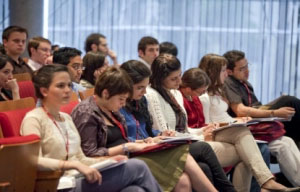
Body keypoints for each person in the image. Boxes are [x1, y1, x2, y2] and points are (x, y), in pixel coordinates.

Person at [145, 53, 300, 192]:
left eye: (179, 75)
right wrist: (202, 133)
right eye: (174, 78)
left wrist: (203, 130)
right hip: (180, 146)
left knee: (243, 136)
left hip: (191, 138)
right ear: (160, 78)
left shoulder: (176, 93)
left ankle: (266, 180)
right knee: (248, 153)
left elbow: (186, 129)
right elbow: (166, 133)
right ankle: (265, 181)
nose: (180, 81)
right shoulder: (152, 95)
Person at [71, 66, 218, 192]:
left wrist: (144, 141)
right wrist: (127, 146)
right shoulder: (86, 113)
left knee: (184, 178)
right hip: (110, 162)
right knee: (182, 154)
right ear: (105, 94)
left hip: (126, 156)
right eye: (121, 99)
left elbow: (122, 138)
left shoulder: (110, 108)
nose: (123, 104)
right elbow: (89, 154)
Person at [20, 64, 162, 192]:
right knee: (138, 166)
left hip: (77, 177)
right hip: (57, 184)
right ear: (44, 91)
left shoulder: (66, 118)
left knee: (135, 190)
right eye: (61, 86)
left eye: (69, 85)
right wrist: (72, 165)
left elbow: (82, 157)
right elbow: (33, 161)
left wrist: (107, 161)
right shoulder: (34, 119)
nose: (68, 90)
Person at [120, 60, 236, 192]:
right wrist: (149, 139)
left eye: (180, 76)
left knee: (203, 167)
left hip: (152, 146)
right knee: (202, 149)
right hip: (143, 151)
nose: (179, 82)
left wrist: (159, 134)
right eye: (140, 87)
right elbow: (123, 140)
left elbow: (148, 129)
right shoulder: (128, 102)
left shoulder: (144, 100)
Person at [198, 54, 300, 191]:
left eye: (247, 66)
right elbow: (206, 124)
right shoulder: (206, 95)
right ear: (215, 72)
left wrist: (238, 120)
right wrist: (273, 113)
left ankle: (270, 182)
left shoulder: (220, 91)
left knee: (284, 142)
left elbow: (225, 116)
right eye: (223, 71)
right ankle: (266, 181)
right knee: (290, 101)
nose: (226, 75)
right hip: (219, 132)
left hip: (231, 128)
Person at [223, 50, 300, 145]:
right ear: (229, 72)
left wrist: (276, 102)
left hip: (256, 117)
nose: (247, 71)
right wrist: (275, 112)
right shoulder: (229, 82)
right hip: (248, 123)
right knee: (290, 101)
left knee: (292, 115)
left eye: (247, 66)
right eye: (242, 69)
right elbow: (240, 111)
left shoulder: (244, 83)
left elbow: (257, 107)